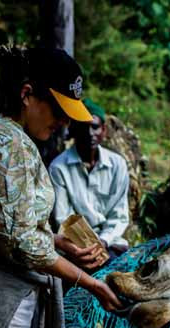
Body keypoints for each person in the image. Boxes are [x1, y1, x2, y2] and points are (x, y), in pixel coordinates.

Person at [0, 46, 122, 328]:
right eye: (59, 110)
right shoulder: (10, 144)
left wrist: (56, 241)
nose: (63, 123)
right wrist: (91, 283)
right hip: (0, 300)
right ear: (27, 94)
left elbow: (0, 225)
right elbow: (21, 243)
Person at [49, 98, 130, 267]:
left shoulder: (117, 165)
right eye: (82, 127)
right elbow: (64, 218)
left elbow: (119, 215)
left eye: (95, 127)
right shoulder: (58, 168)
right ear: (73, 130)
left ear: (104, 130)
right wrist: (88, 247)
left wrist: (103, 242)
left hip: (110, 243)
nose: (89, 133)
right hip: (74, 247)